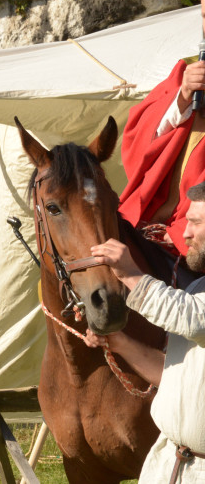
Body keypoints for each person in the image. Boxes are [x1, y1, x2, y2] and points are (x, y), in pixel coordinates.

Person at [85, 180, 205, 482]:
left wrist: (131, 274)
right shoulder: (200, 288)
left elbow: (192, 319)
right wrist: (118, 341)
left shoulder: (194, 304)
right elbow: (174, 376)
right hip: (170, 466)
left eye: (195, 222)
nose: (185, 233)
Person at [118, 0, 205, 256]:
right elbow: (138, 137)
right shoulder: (186, 70)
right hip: (152, 221)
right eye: (204, 15)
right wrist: (183, 97)